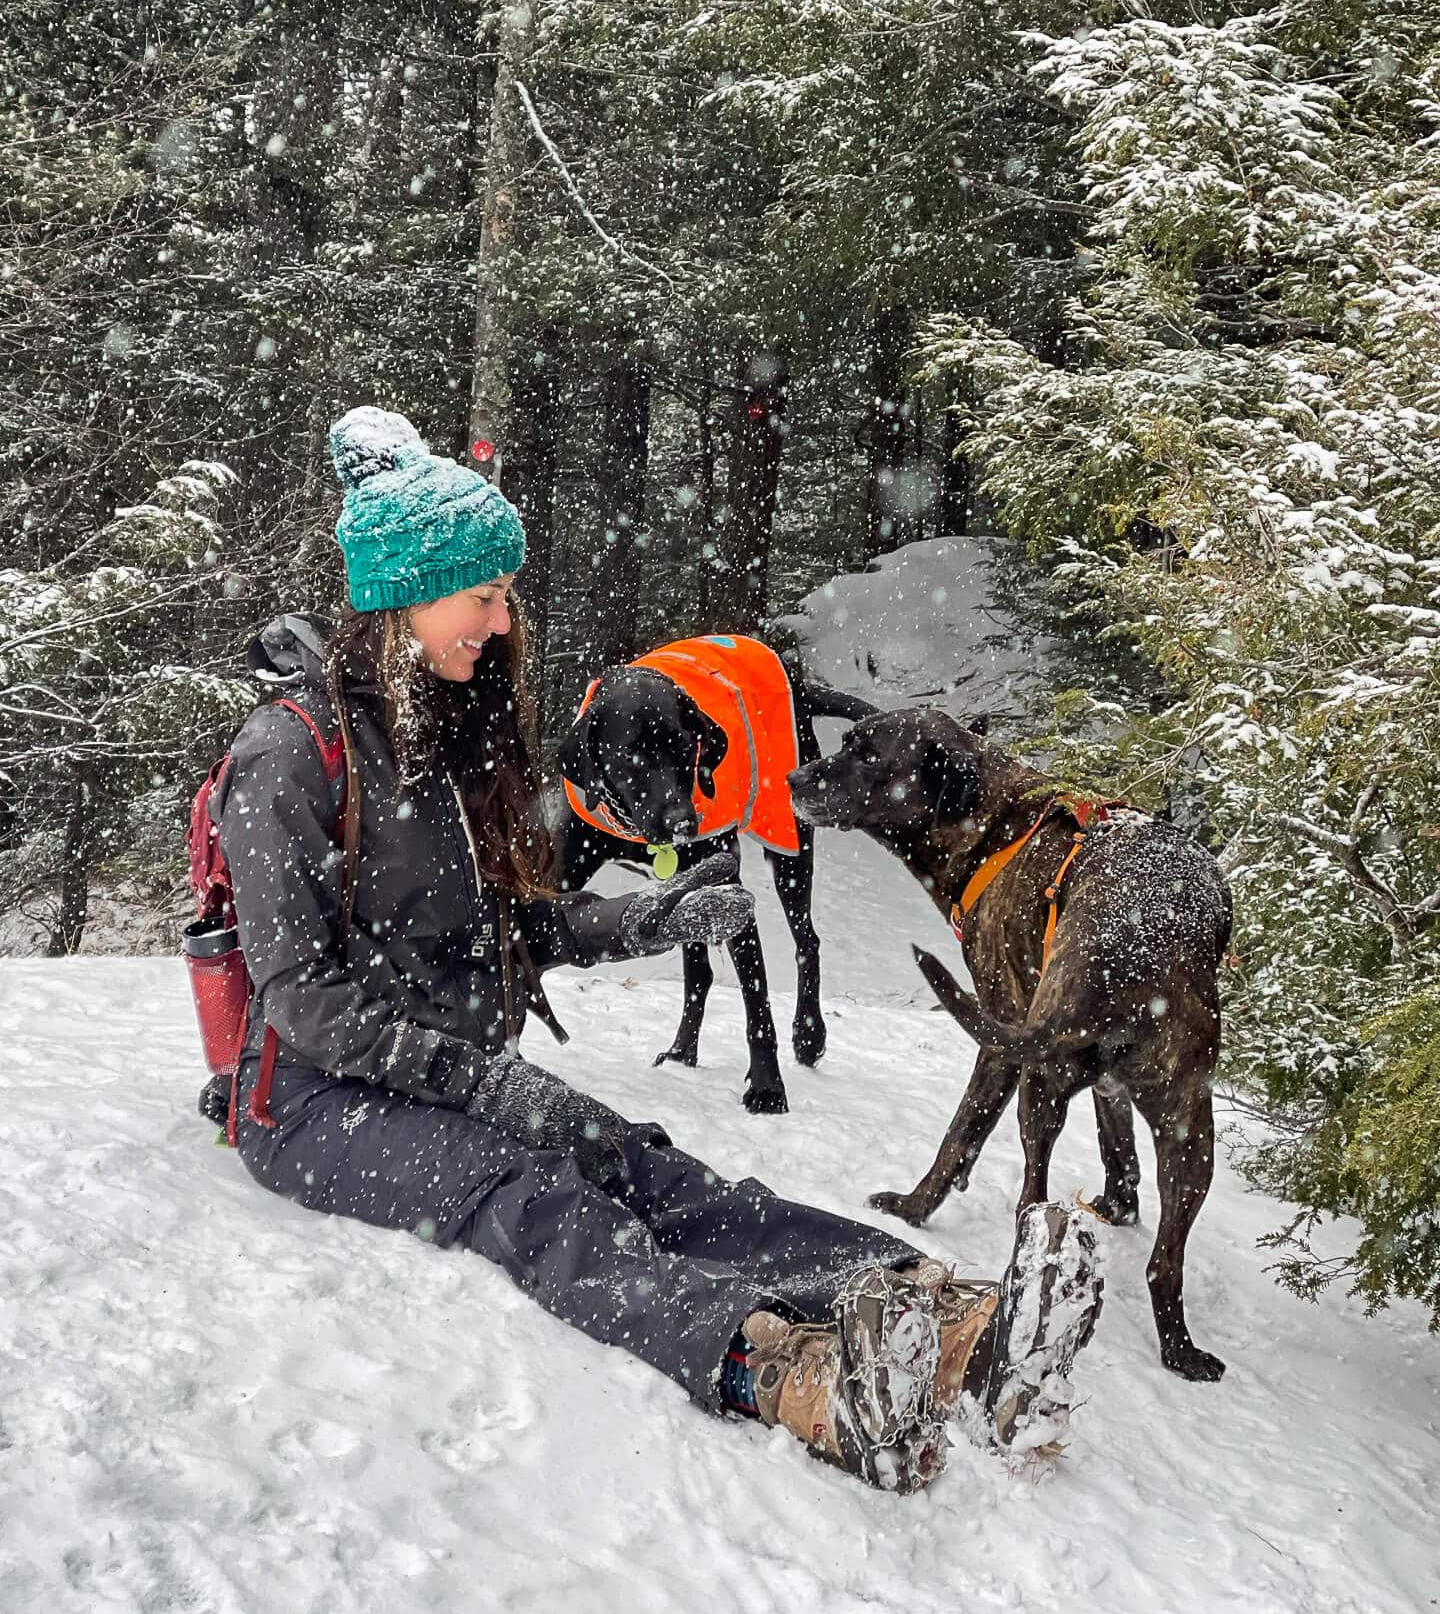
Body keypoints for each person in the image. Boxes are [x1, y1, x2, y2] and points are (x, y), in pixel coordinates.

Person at [217, 406, 1104, 1494]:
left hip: (446, 1070)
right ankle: (800, 1378)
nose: (501, 623)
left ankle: (945, 1315)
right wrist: (479, 1080)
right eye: (483, 597)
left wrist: (647, 920)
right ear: (406, 592)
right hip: (313, 1102)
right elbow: (304, 1002)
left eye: (506, 598)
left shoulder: (447, 737)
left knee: (641, 1162)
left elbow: (502, 930)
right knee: (536, 1200)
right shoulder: (288, 755)